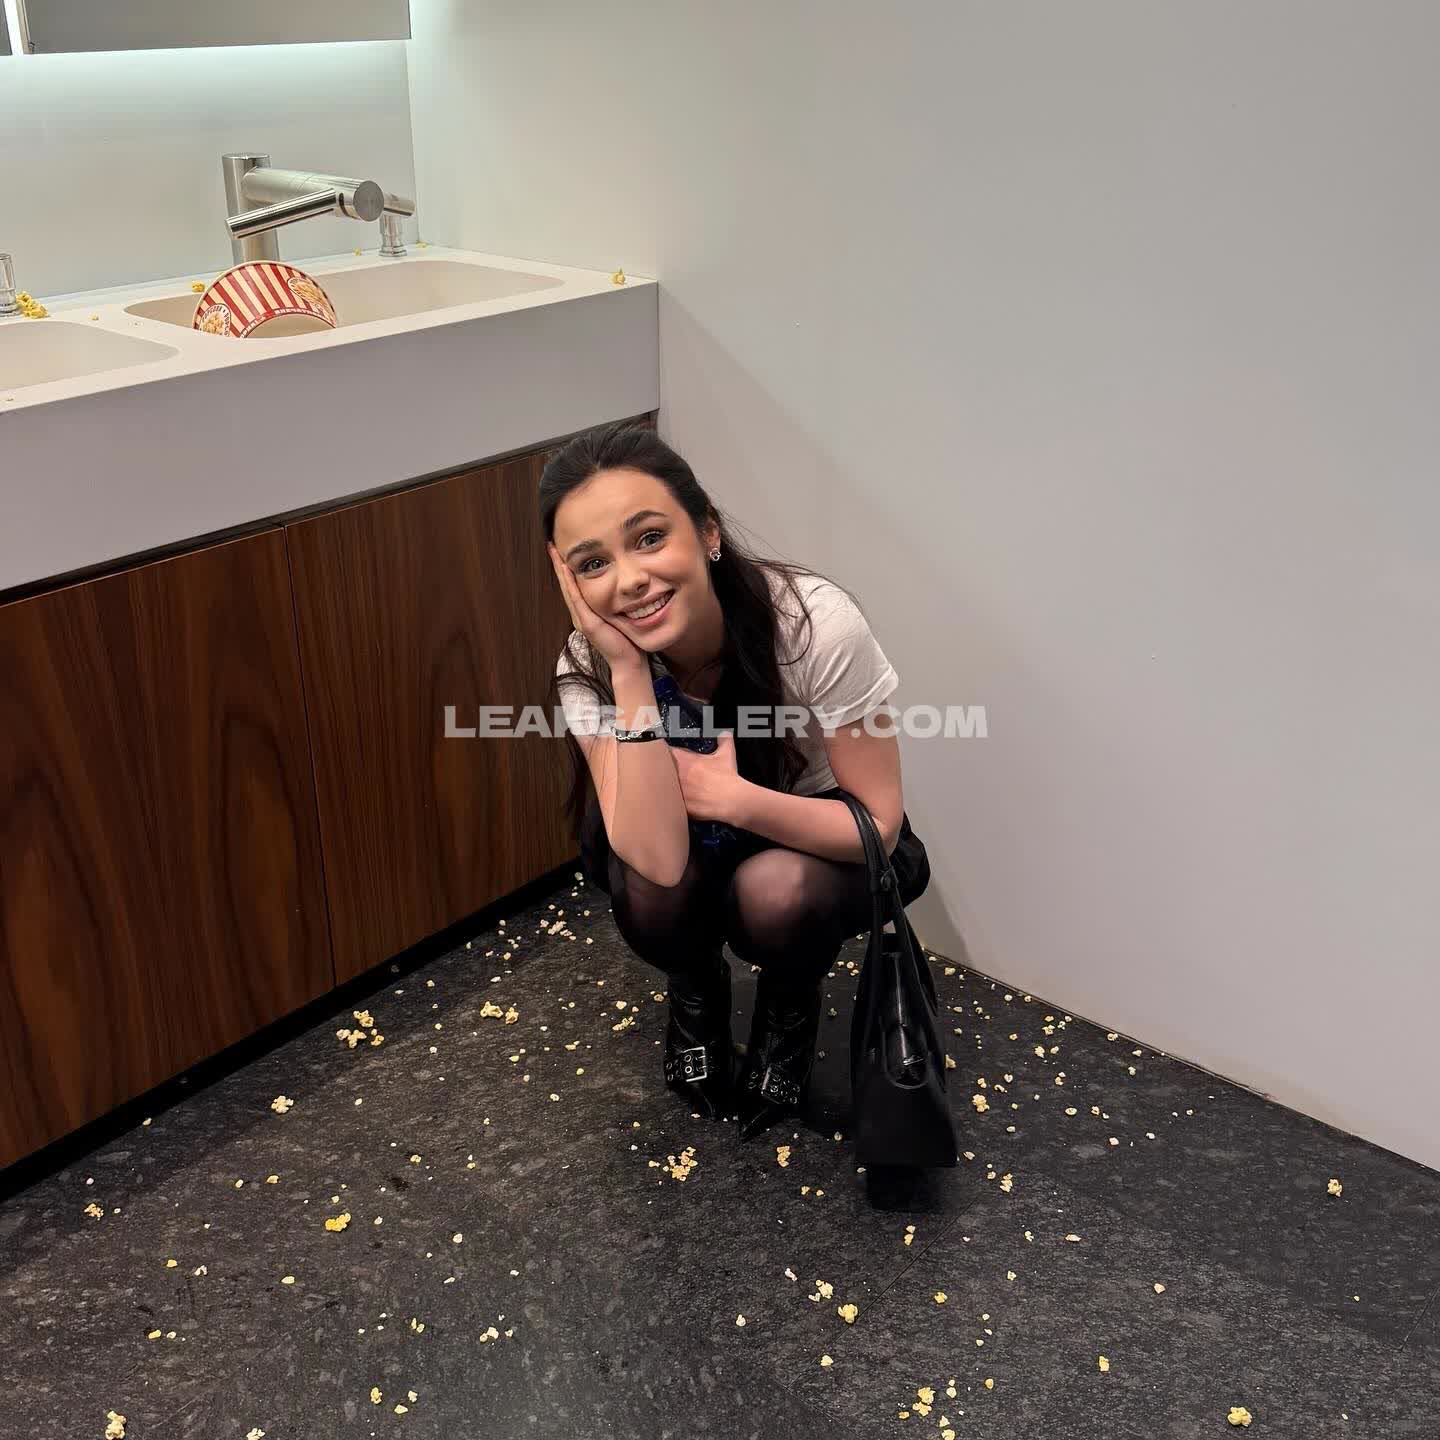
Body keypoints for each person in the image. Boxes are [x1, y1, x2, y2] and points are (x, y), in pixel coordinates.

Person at [540, 422, 930, 1142]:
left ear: (708, 532)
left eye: (649, 538)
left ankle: (789, 1004)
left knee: (775, 896)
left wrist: (734, 799)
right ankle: (696, 993)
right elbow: (657, 861)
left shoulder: (813, 626)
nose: (629, 580)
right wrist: (627, 672)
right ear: (569, 581)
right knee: (650, 891)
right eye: (593, 563)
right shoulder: (587, 667)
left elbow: (879, 828)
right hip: (680, 842)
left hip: (812, 835)